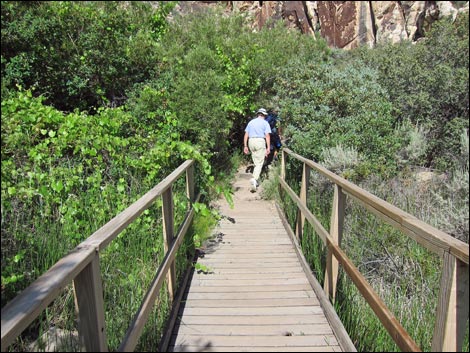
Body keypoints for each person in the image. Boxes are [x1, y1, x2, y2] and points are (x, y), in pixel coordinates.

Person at [243, 108, 271, 192]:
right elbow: (267, 136)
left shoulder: (251, 122)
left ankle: (255, 179)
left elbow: (246, 134)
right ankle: (254, 179)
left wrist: (245, 146)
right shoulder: (265, 123)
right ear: (264, 115)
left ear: (258, 114)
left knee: (256, 161)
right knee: (260, 162)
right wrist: (268, 147)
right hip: (260, 141)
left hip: (251, 141)